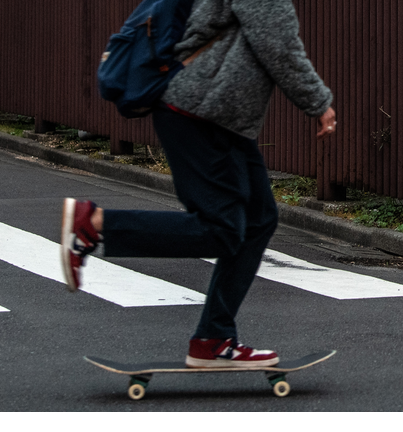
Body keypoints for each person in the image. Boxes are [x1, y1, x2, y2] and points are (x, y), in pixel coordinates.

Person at [61, 0, 336, 368]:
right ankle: (93, 224)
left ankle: (213, 340)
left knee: (257, 219)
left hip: (219, 116)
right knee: (221, 228)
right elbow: (278, 44)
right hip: (200, 111)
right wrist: (319, 102)